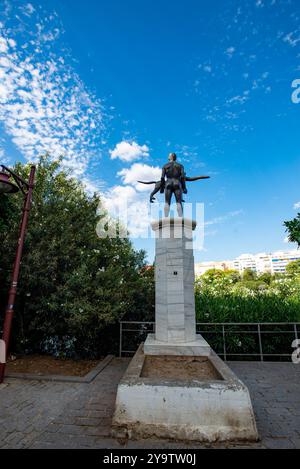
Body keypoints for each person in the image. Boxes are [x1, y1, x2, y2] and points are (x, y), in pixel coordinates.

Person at [160, 152, 187, 217]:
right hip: (177, 183)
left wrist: (161, 188)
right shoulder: (180, 166)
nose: (168, 157)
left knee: (167, 202)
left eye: (169, 156)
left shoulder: (165, 166)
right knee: (178, 202)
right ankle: (180, 219)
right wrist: (184, 187)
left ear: (171, 157)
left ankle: (165, 218)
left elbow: (162, 177)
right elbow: (183, 177)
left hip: (168, 183)